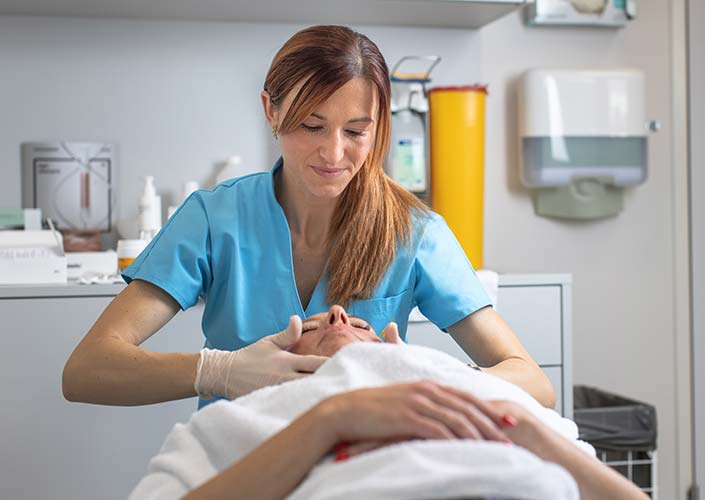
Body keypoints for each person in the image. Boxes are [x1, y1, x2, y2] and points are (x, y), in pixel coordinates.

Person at [62, 24, 554, 411]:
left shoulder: (413, 233)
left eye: (357, 131)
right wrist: (221, 372)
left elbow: (532, 382)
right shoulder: (216, 220)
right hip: (242, 466)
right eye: (310, 125)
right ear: (270, 112)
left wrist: (421, 375)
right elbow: (87, 370)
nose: (333, 153)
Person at [130, 305, 648, 500]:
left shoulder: (464, 387)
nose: (337, 313)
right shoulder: (249, 414)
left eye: (360, 324)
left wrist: (524, 430)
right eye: (312, 327)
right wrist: (330, 419)